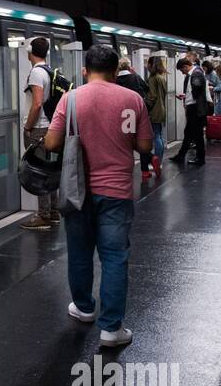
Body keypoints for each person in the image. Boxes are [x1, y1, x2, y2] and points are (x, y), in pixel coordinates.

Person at [44, 44, 152, 348]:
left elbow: (52, 143)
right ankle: (111, 329)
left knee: (79, 252)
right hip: (117, 191)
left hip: (78, 191)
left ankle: (84, 308)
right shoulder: (133, 99)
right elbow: (144, 146)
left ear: (84, 70)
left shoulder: (72, 98)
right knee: (115, 257)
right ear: (117, 70)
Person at [21, 37, 71, 230]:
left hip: (39, 128)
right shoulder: (49, 71)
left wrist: (27, 128)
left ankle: (43, 216)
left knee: (38, 172)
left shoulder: (36, 73)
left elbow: (37, 103)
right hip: (51, 126)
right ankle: (54, 212)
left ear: (30, 51)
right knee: (48, 170)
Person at [115, 57, 152, 178]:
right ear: (129, 66)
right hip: (137, 112)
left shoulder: (115, 79)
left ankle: (124, 169)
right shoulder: (135, 77)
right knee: (141, 139)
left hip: (121, 115)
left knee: (125, 141)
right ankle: (145, 170)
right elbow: (146, 88)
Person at [172, 56, 208, 166]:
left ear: (185, 66)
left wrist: (189, 97)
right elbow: (192, 90)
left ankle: (200, 158)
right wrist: (186, 95)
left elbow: (196, 90)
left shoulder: (196, 73)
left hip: (195, 108)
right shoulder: (194, 73)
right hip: (194, 107)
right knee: (189, 133)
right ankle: (181, 155)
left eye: (182, 70)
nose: (183, 73)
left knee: (196, 134)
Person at [144, 55, 168, 176]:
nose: (146, 66)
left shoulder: (153, 78)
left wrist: (144, 104)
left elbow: (152, 96)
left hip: (154, 110)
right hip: (161, 109)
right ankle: (160, 161)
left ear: (151, 65)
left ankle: (157, 161)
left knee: (156, 136)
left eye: (147, 64)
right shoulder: (161, 77)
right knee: (159, 135)